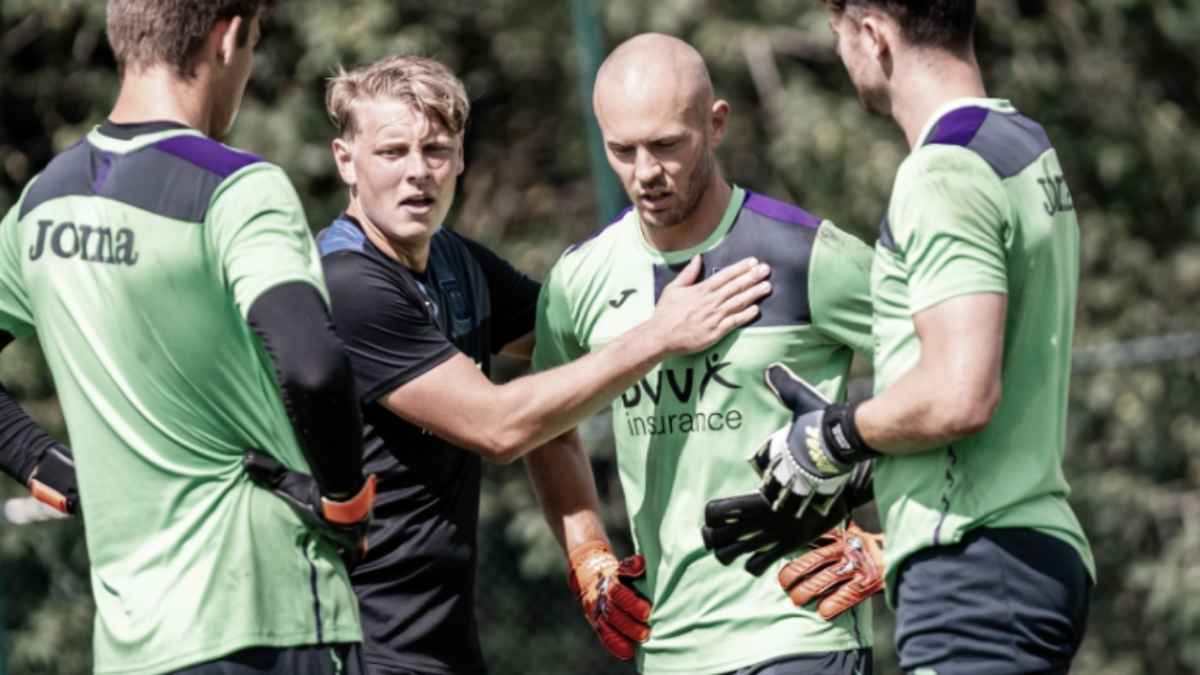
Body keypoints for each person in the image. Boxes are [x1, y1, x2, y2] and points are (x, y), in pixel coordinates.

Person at [315, 55, 770, 675]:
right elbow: (499, 426)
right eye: (392, 152)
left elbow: (569, 347)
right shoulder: (347, 283)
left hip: (434, 634)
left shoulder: (455, 260)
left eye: (436, 150)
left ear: (461, 158)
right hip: (344, 639)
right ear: (346, 160)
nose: (417, 173)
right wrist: (661, 333)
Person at [0, 1, 377, 673]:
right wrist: (346, 499)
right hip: (270, 613)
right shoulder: (237, 188)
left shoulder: (40, 205)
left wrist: (39, 461)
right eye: (255, 43)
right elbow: (314, 363)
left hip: (131, 643)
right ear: (228, 37)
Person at [756, 2, 1095, 673]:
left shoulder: (941, 173)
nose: (840, 56)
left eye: (840, 37)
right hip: (1026, 553)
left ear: (875, 35)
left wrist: (833, 435)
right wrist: (873, 459)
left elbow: (961, 392)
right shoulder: (1022, 144)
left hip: (974, 573)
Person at [533, 33, 880, 675]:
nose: (644, 172)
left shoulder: (809, 257)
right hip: (667, 651)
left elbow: (953, 379)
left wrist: (896, 543)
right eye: (621, 149)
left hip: (801, 637)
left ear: (715, 125)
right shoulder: (577, 281)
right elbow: (545, 429)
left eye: (667, 145)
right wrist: (587, 555)